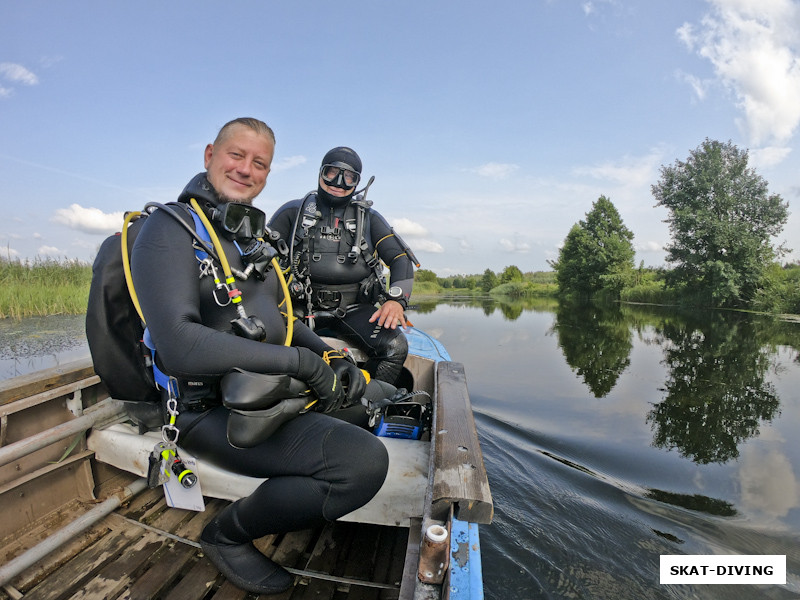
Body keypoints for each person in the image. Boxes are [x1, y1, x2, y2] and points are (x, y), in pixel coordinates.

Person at [130, 118, 389, 595]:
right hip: (206, 410)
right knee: (363, 464)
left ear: (268, 173)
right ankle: (226, 535)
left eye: (260, 163)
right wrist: (301, 365)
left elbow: (284, 322)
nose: (246, 169)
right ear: (209, 154)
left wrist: (332, 359)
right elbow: (179, 345)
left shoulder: (250, 240)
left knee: (378, 395)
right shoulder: (167, 231)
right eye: (236, 155)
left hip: (266, 392)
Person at [268, 147, 417, 385]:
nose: (339, 182)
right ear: (320, 174)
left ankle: (368, 403)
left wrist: (395, 300)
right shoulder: (292, 213)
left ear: (357, 182)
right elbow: (261, 256)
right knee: (266, 339)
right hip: (298, 307)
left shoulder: (369, 218)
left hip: (354, 308)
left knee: (395, 348)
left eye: (349, 177)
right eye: (332, 172)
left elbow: (401, 259)